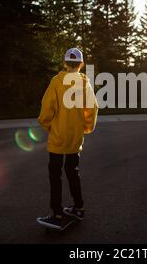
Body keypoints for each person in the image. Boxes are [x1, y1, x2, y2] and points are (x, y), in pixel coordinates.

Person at [37, 48, 98, 230]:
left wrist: (46, 125)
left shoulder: (57, 81)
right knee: (73, 171)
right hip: (75, 138)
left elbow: (47, 108)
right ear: (81, 64)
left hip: (57, 138)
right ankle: (78, 207)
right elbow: (92, 108)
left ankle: (57, 213)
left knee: (55, 176)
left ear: (65, 63)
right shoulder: (85, 83)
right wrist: (86, 128)